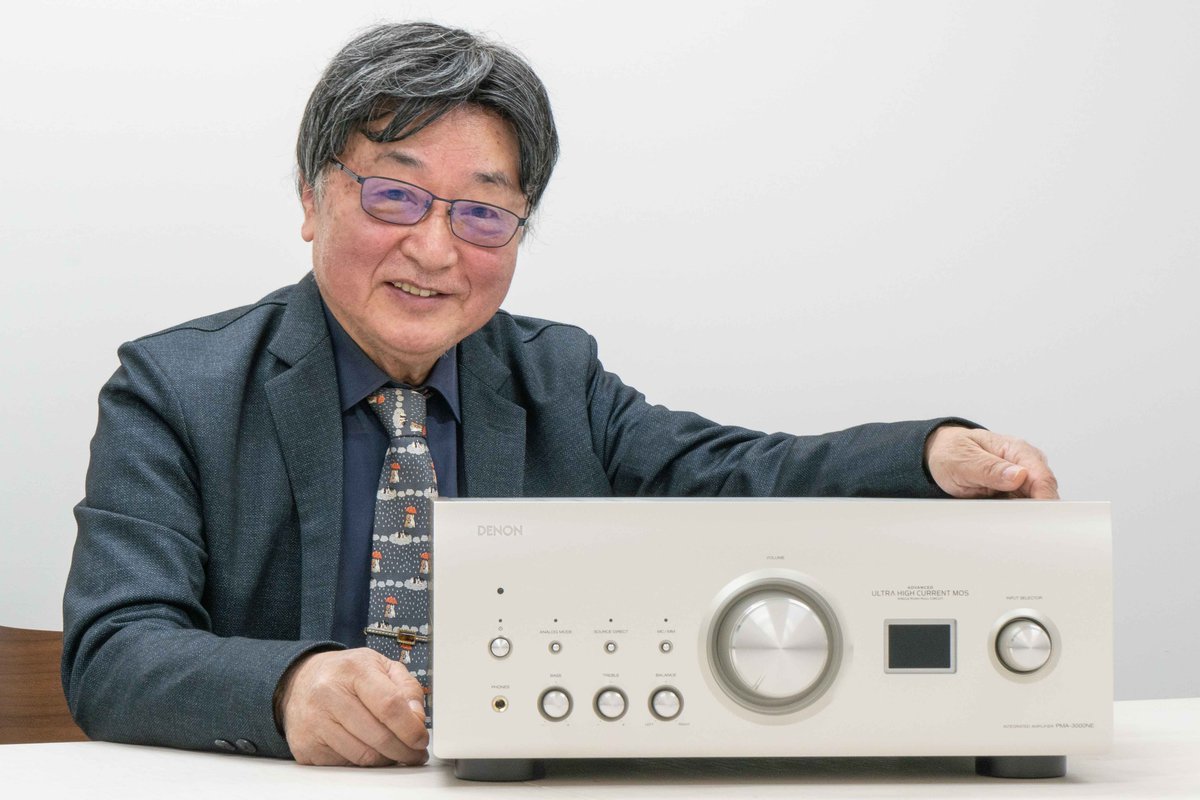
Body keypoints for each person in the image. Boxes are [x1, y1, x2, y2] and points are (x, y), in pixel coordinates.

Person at [62, 21, 1058, 769]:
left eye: (483, 212)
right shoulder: (176, 388)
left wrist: (928, 456)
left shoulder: (558, 379)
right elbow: (114, 650)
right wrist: (288, 687)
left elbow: (734, 473)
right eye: (395, 193)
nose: (435, 249)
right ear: (310, 197)